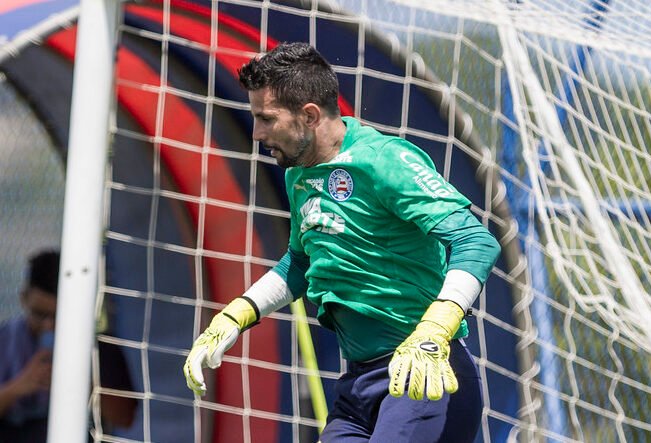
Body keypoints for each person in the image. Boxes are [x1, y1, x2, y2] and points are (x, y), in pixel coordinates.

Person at [183, 42, 501, 442]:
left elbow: (475, 241)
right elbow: (302, 262)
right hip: (358, 385)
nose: (257, 133)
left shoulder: (385, 160)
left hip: (424, 373)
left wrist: (435, 328)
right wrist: (235, 315)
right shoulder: (298, 173)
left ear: (310, 115)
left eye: (266, 119)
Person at [0, 249, 136, 442]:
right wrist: (19, 386)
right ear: (24, 298)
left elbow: (125, 418)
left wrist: (80, 382)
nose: (49, 325)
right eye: (39, 314)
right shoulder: (5, 339)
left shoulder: (100, 349)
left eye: (58, 315)